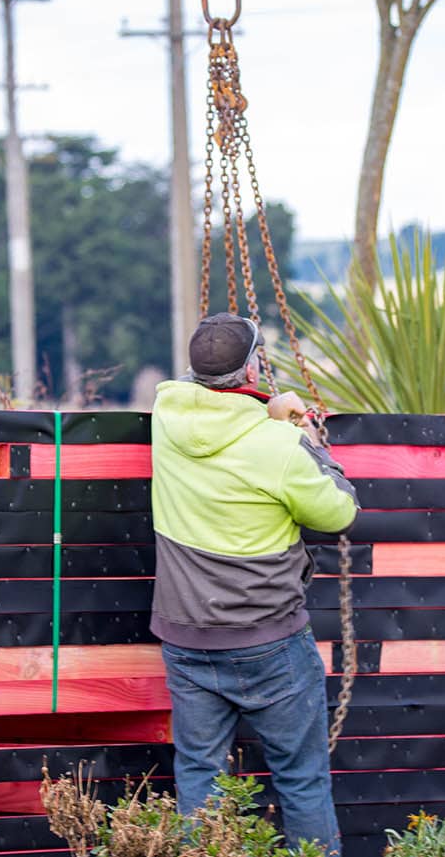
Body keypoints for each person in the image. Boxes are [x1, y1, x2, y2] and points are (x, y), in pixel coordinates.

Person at [149, 312, 359, 855]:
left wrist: (266, 408)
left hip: (186, 638)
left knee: (199, 777)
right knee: (301, 779)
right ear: (253, 367)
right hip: (270, 642)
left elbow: (215, 416)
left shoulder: (165, 417)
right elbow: (338, 513)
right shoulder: (280, 448)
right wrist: (306, 437)